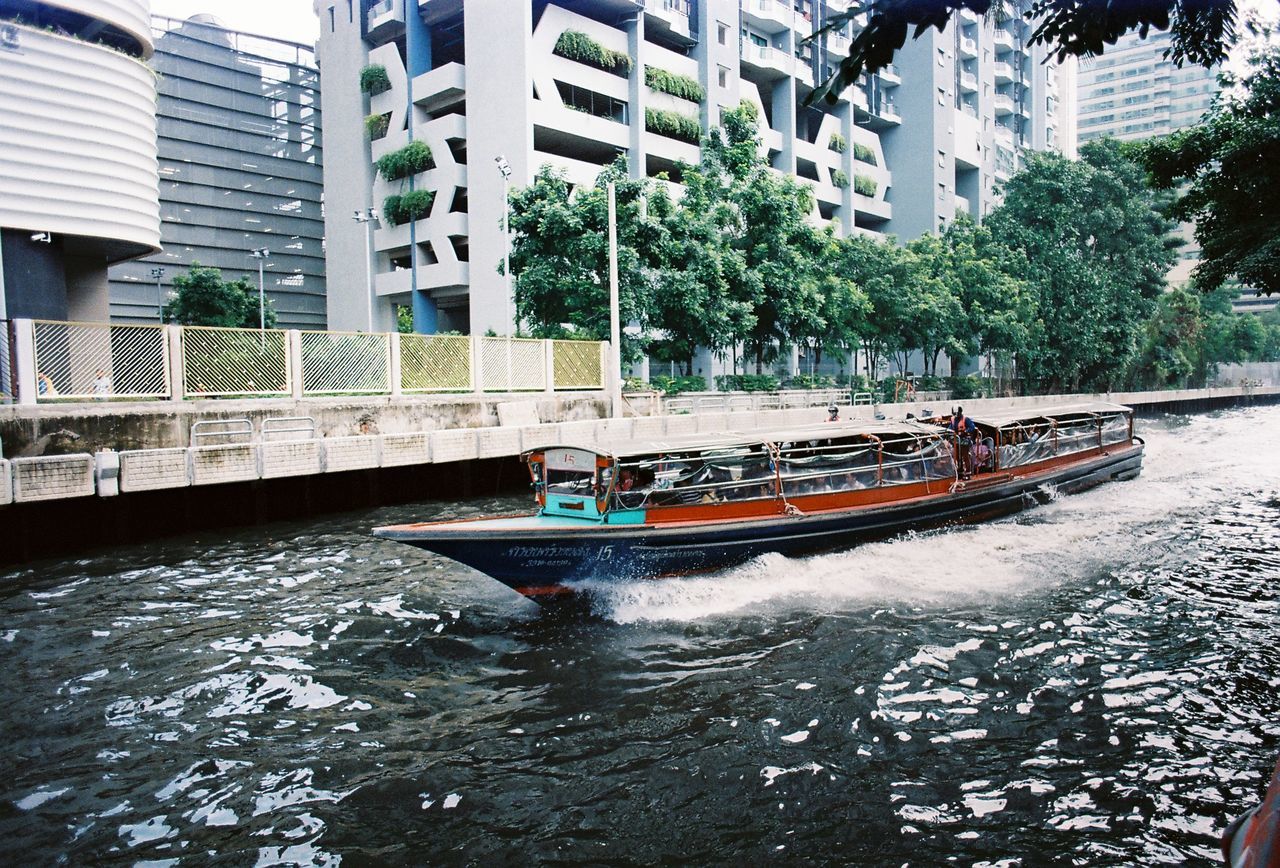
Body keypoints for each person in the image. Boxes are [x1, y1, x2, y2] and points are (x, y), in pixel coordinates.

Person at [950, 406, 978, 478]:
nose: (956, 415)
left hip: (964, 440)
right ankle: (960, 470)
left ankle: (968, 472)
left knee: (965, 456)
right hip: (956, 440)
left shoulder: (966, 419)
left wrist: (965, 431)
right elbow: (950, 427)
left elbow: (972, 427)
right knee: (957, 455)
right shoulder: (953, 419)